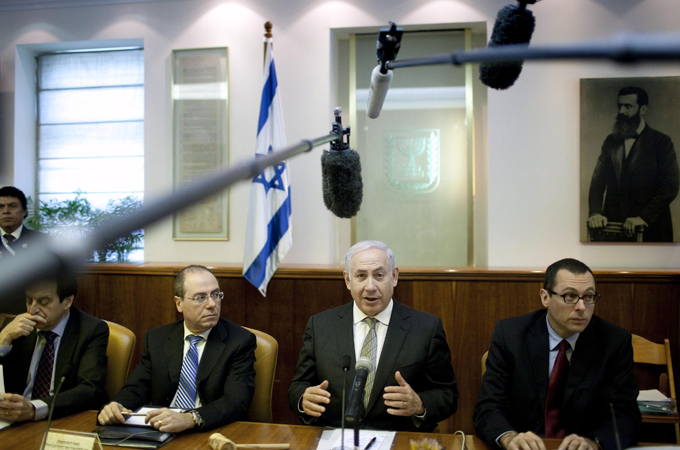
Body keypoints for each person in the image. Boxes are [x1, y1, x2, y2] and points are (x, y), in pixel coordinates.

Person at [287, 240, 458, 432]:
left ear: (394, 277)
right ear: (348, 280)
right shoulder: (320, 326)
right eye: (361, 276)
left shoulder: (426, 328)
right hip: (337, 438)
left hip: (399, 439)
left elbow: (447, 394)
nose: (370, 286)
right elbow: (298, 385)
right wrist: (304, 399)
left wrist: (420, 404)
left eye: (379, 275)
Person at [474, 258, 641, 450]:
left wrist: (594, 442)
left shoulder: (613, 342)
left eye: (588, 297)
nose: (581, 307)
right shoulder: (511, 335)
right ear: (545, 297)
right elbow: (488, 407)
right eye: (570, 296)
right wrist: (509, 437)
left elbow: (626, 415)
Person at [98, 265, 256, 433]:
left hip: (213, 430)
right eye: (201, 297)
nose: (211, 304)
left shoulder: (239, 341)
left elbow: (235, 402)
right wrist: (117, 405)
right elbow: (137, 388)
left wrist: (190, 418)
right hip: (164, 429)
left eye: (216, 295)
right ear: (179, 303)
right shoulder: (157, 338)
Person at [0, 272, 109, 422]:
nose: (32, 310)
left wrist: (34, 409)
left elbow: (90, 389)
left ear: (67, 302)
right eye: (29, 300)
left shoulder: (91, 330)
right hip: (14, 420)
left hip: (62, 419)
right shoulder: (16, 327)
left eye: (44, 302)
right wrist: (3, 339)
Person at [588, 86, 680, 242]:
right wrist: (595, 213)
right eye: (619, 106)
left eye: (628, 106)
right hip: (614, 228)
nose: (621, 111)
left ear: (643, 109)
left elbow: (670, 186)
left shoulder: (661, 142)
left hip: (650, 228)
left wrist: (643, 217)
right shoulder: (611, 141)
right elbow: (598, 180)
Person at [0, 186, 43, 257]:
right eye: (0, 207)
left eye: (12, 206)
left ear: (24, 211)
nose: (6, 211)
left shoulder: (41, 241)